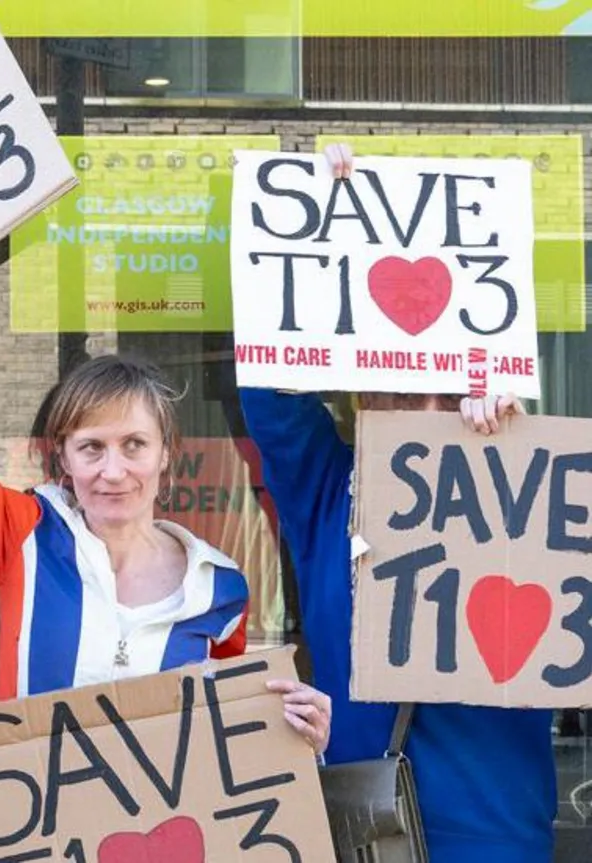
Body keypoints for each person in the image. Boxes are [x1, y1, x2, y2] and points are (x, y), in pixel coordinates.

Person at [0, 187, 334, 751]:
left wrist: (300, 736)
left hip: (160, 837)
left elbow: (227, 752)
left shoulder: (221, 589)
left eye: (134, 445)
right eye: (92, 448)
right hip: (26, 833)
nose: (113, 471)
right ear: (62, 458)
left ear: (167, 453)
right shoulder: (22, 536)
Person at [237, 142, 555, 863]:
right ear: (360, 386)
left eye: (449, 387)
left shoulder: (526, 487)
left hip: (497, 837)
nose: (429, 406)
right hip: (367, 830)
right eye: (405, 383)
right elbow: (267, 375)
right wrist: (320, 216)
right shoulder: (328, 487)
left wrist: (508, 456)